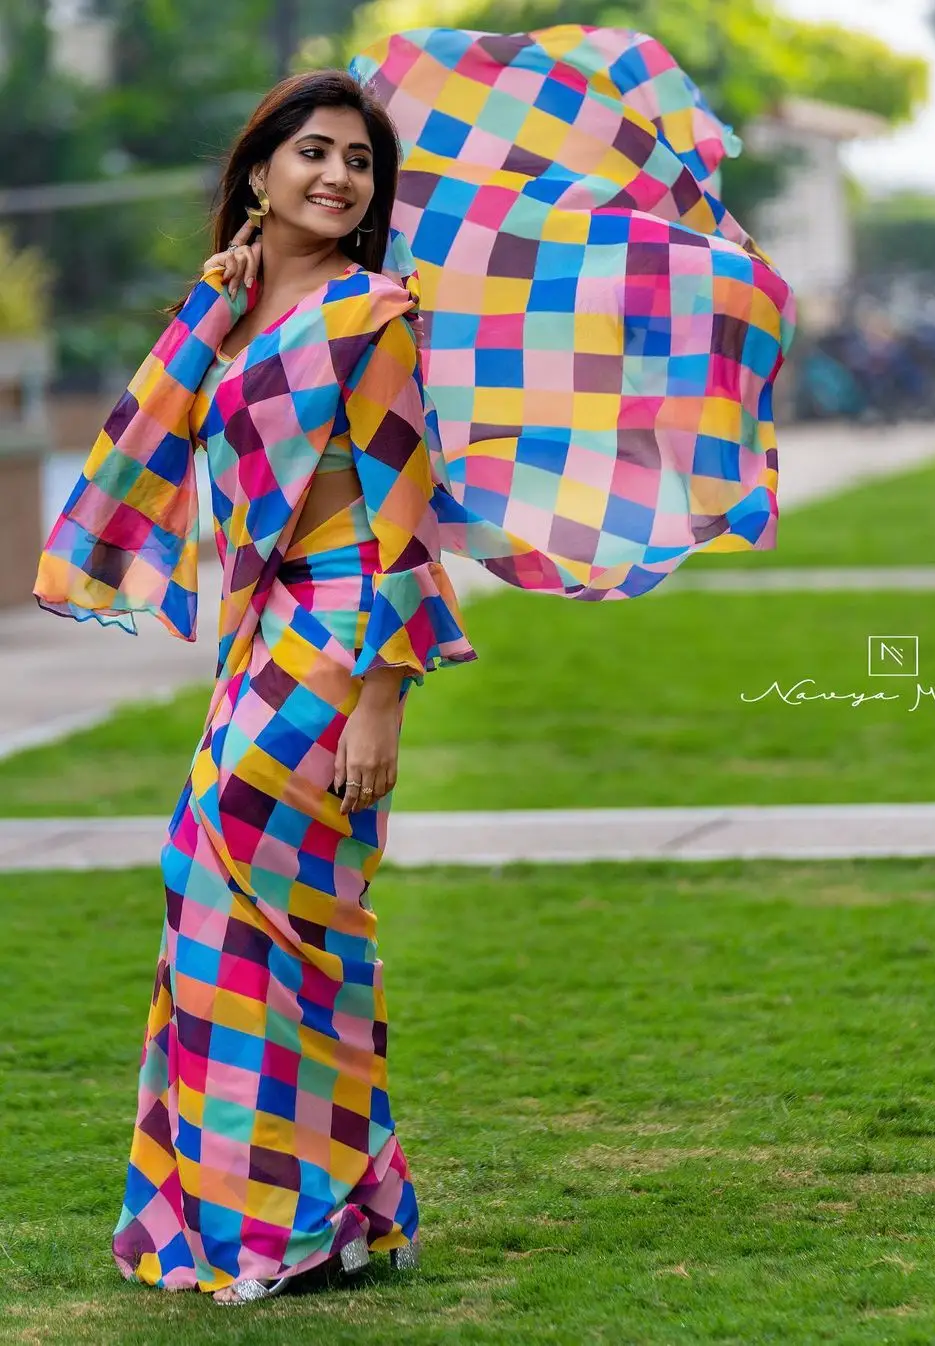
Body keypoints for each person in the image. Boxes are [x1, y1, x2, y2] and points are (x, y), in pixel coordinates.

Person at [34, 26, 795, 1307]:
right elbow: (143, 436)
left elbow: (401, 513)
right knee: (249, 913)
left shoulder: (372, 312)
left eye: (358, 162)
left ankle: (282, 1221)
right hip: (261, 639)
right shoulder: (233, 312)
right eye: (312, 152)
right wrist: (216, 298)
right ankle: (299, 1216)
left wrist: (383, 693)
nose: (337, 176)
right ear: (261, 171)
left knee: (253, 894)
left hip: (335, 639)